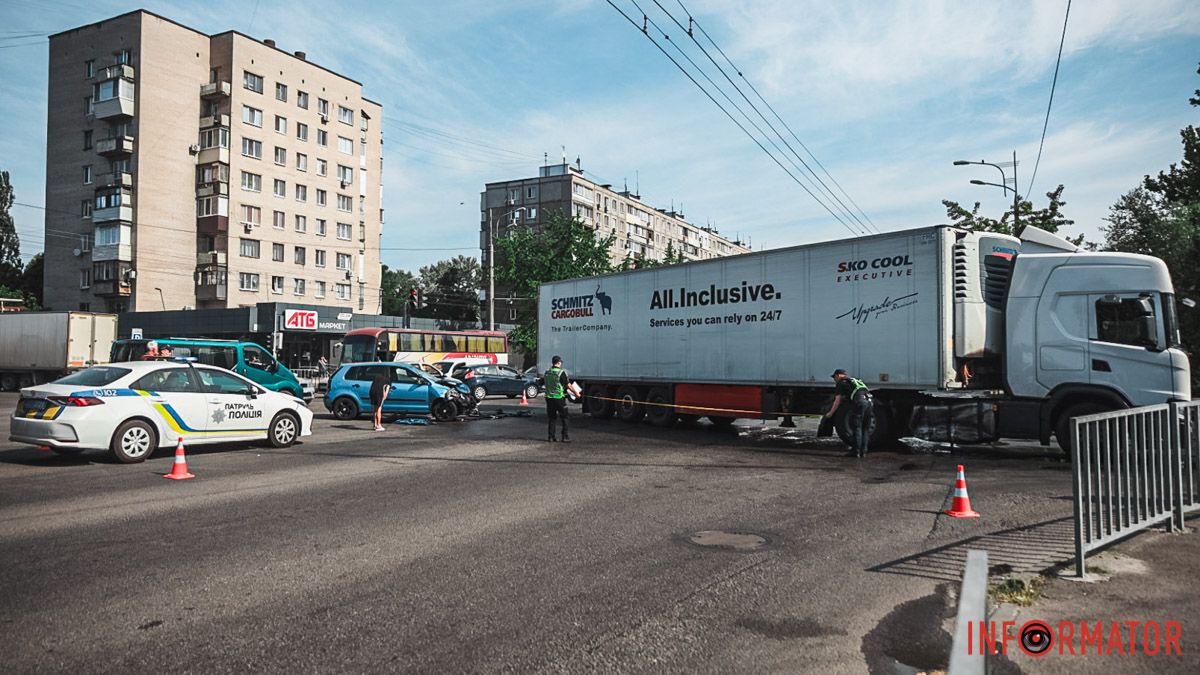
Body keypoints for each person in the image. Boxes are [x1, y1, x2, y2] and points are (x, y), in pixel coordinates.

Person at [825, 369, 874, 457]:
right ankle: (864, 451)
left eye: (834, 377)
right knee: (865, 428)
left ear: (839, 375)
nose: (834, 380)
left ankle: (856, 452)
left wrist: (830, 413)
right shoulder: (855, 380)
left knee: (857, 427)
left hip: (860, 403)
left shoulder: (841, 383)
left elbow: (837, 400)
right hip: (870, 402)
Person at [541, 355, 570, 442]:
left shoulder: (547, 372)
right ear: (558, 363)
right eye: (560, 362)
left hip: (549, 398)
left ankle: (551, 437)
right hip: (559, 398)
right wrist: (576, 393)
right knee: (565, 417)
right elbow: (568, 385)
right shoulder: (561, 373)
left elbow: (542, 382)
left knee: (552, 418)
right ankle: (564, 437)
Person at [369, 367, 391, 432]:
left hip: (372, 392)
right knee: (379, 409)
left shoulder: (376, 377)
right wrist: (384, 397)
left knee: (375, 409)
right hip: (379, 393)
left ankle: (375, 425)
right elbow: (386, 391)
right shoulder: (388, 379)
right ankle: (379, 425)